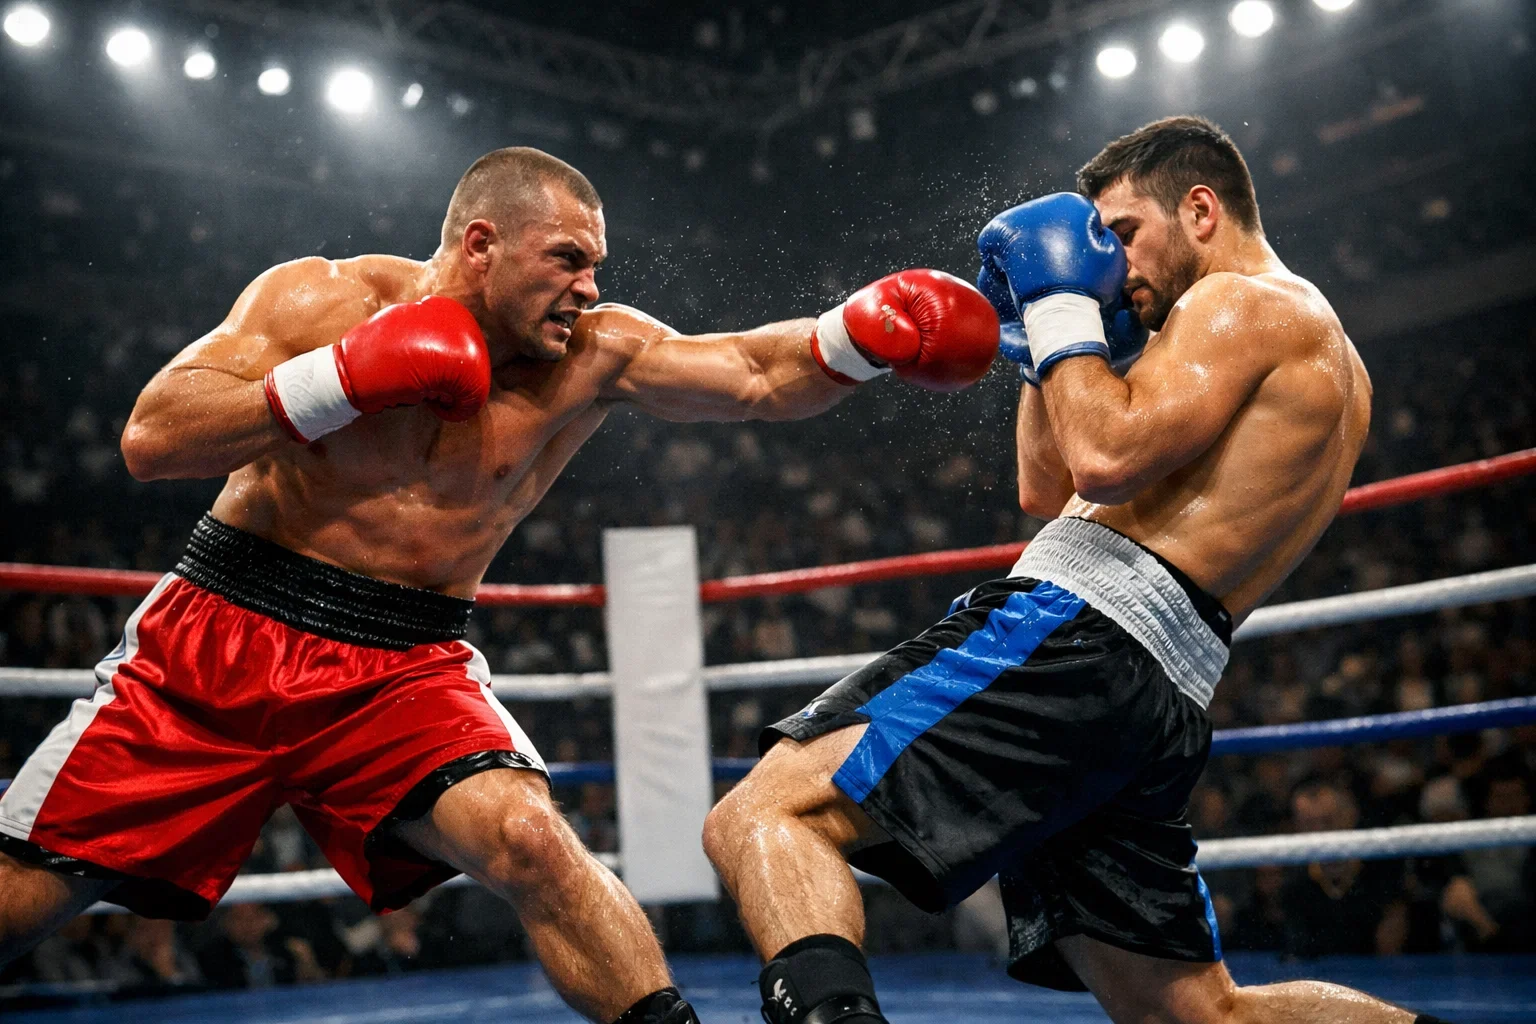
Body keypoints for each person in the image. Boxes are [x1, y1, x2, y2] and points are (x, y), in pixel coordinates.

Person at [0, 146, 999, 1024]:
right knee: (30, 888)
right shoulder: (324, 301)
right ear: (480, 243)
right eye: (565, 257)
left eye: (596, 262)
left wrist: (858, 338)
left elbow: (747, 371)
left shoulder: (596, 351)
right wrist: (347, 376)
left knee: (531, 838)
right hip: (225, 629)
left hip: (404, 662)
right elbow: (152, 434)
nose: (587, 283)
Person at [704, 116, 1453, 1024]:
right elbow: (1043, 482)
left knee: (760, 818)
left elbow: (1103, 459)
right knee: (1197, 1016)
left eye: (1124, 235)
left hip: (1072, 637)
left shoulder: (1246, 304)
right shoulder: (1318, 352)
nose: (1112, 262)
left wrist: (1065, 309)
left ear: (1202, 209)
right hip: (1149, 688)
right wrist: (1047, 326)